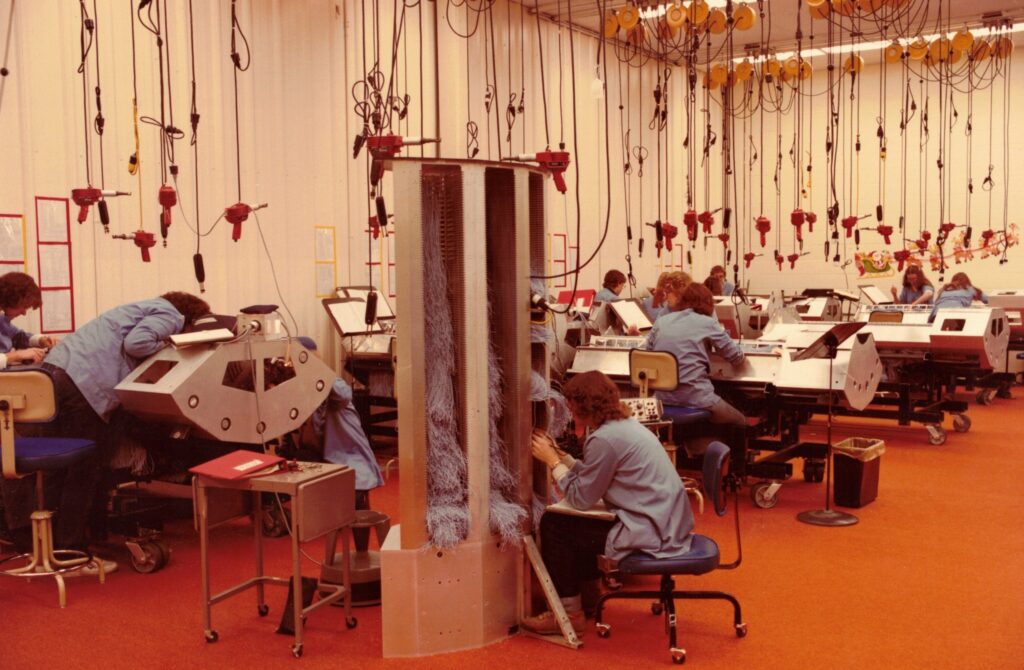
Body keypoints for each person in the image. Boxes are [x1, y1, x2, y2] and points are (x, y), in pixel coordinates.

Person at [2, 292, 210, 572]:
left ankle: (47, 547)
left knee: (57, 467)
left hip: (54, 375)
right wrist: (173, 344)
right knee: (83, 470)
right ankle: (72, 552)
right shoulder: (171, 315)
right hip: (85, 387)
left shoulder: (134, 306)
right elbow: (137, 344)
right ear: (191, 319)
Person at [520, 371, 694, 635]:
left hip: (653, 531)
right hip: (664, 522)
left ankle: (569, 614)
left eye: (571, 404)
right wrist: (563, 458)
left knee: (555, 525)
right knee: (576, 523)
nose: (568, 410)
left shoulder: (603, 440)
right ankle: (589, 598)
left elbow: (581, 498)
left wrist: (552, 462)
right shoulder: (624, 426)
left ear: (583, 406)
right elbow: (596, 475)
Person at [644, 281, 746, 434]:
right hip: (696, 398)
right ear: (708, 303)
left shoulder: (661, 322)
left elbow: (647, 353)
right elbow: (736, 358)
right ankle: (722, 456)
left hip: (660, 400)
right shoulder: (707, 323)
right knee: (740, 421)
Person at [0, 271, 54, 368]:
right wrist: (14, 356)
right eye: (23, 306)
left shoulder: (2, 320)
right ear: (12, 299)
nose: (24, 313)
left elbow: (19, 337)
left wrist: (41, 340)